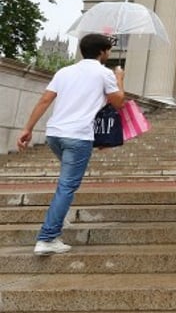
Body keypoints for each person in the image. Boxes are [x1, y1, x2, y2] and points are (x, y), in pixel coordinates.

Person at [17, 33, 125, 255]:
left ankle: (57, 221)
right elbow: (119, 102)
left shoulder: (64, 71)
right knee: (67, 186)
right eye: (109, 50)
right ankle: (47, 237)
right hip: (78, 137)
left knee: (66, 183)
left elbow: (45, 99)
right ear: (103, 52)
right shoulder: (105, 73)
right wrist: (119, 78)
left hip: (55, 135)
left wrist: (27, 128)